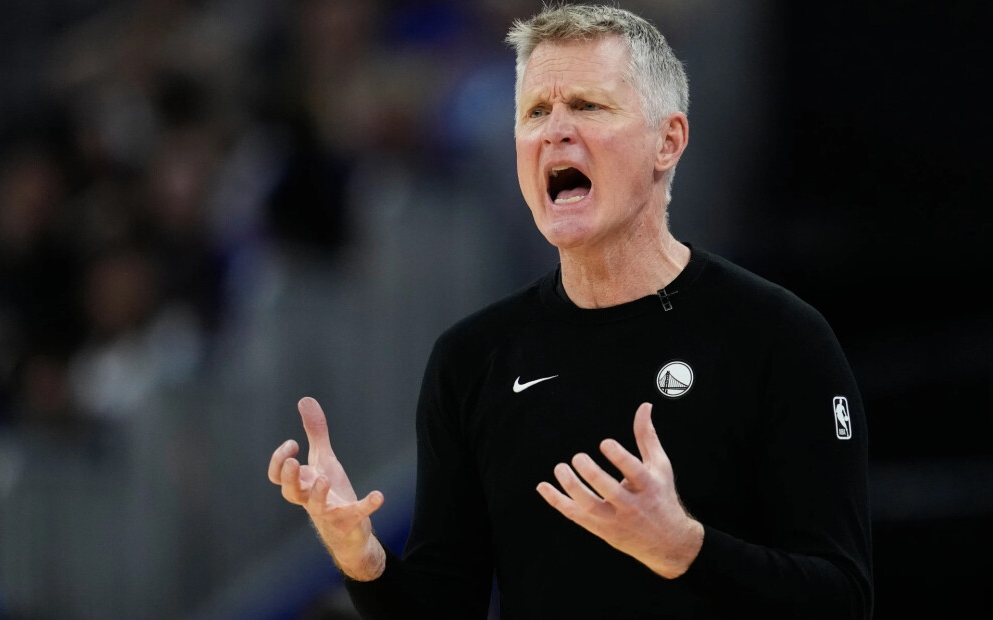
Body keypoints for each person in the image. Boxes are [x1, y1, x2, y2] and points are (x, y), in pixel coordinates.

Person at [267, 4, 873, 619]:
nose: (554, 131)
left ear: (667, 141)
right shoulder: (471, 360)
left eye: (588, 106)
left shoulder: (780, 337)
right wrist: (363, 558)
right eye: (535, 112)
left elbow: (843, 598)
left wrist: (684, 549)